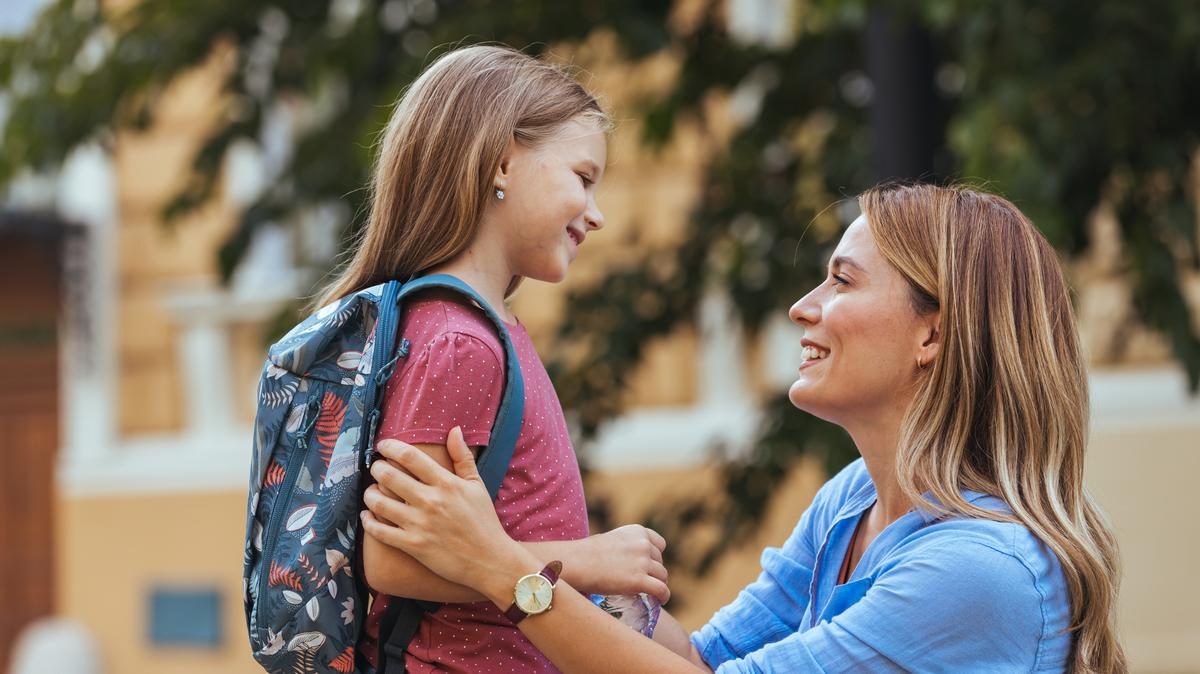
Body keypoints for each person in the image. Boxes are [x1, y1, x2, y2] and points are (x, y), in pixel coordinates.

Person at [360, 183, 1128, 673]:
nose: (804, 305)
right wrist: (578, 568)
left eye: (843, 279)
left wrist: (504, 570)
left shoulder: (979, 569)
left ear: (934, 333)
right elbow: (704, 659)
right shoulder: (853, 501)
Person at [317, 44, 670, 673]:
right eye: (582, 178)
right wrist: (587, 560)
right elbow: (393, 561)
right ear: (502, 162)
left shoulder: (486, 331)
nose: (597, 213)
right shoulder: (459, 342)